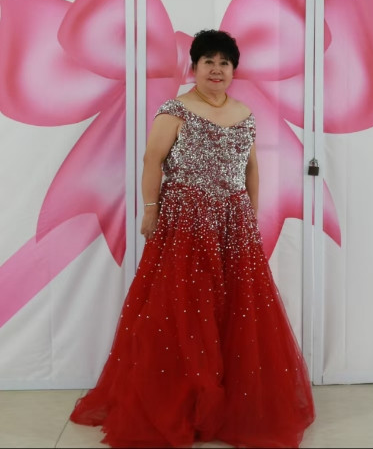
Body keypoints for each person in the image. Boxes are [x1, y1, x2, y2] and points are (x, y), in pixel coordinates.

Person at [70, 29, 315, 448]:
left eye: (224, 63)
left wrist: (250, 215)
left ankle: (227, 403)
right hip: (185, 220)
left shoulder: (244, 113)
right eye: (208, 62)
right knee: (182, 308)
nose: (216, 70)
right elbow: (152, 160)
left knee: (236, 309)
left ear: (233, 70)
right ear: (195, 67)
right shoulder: (176, 109)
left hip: (233, 223)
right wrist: (150, 209)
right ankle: (182, 402)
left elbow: (251, 169)